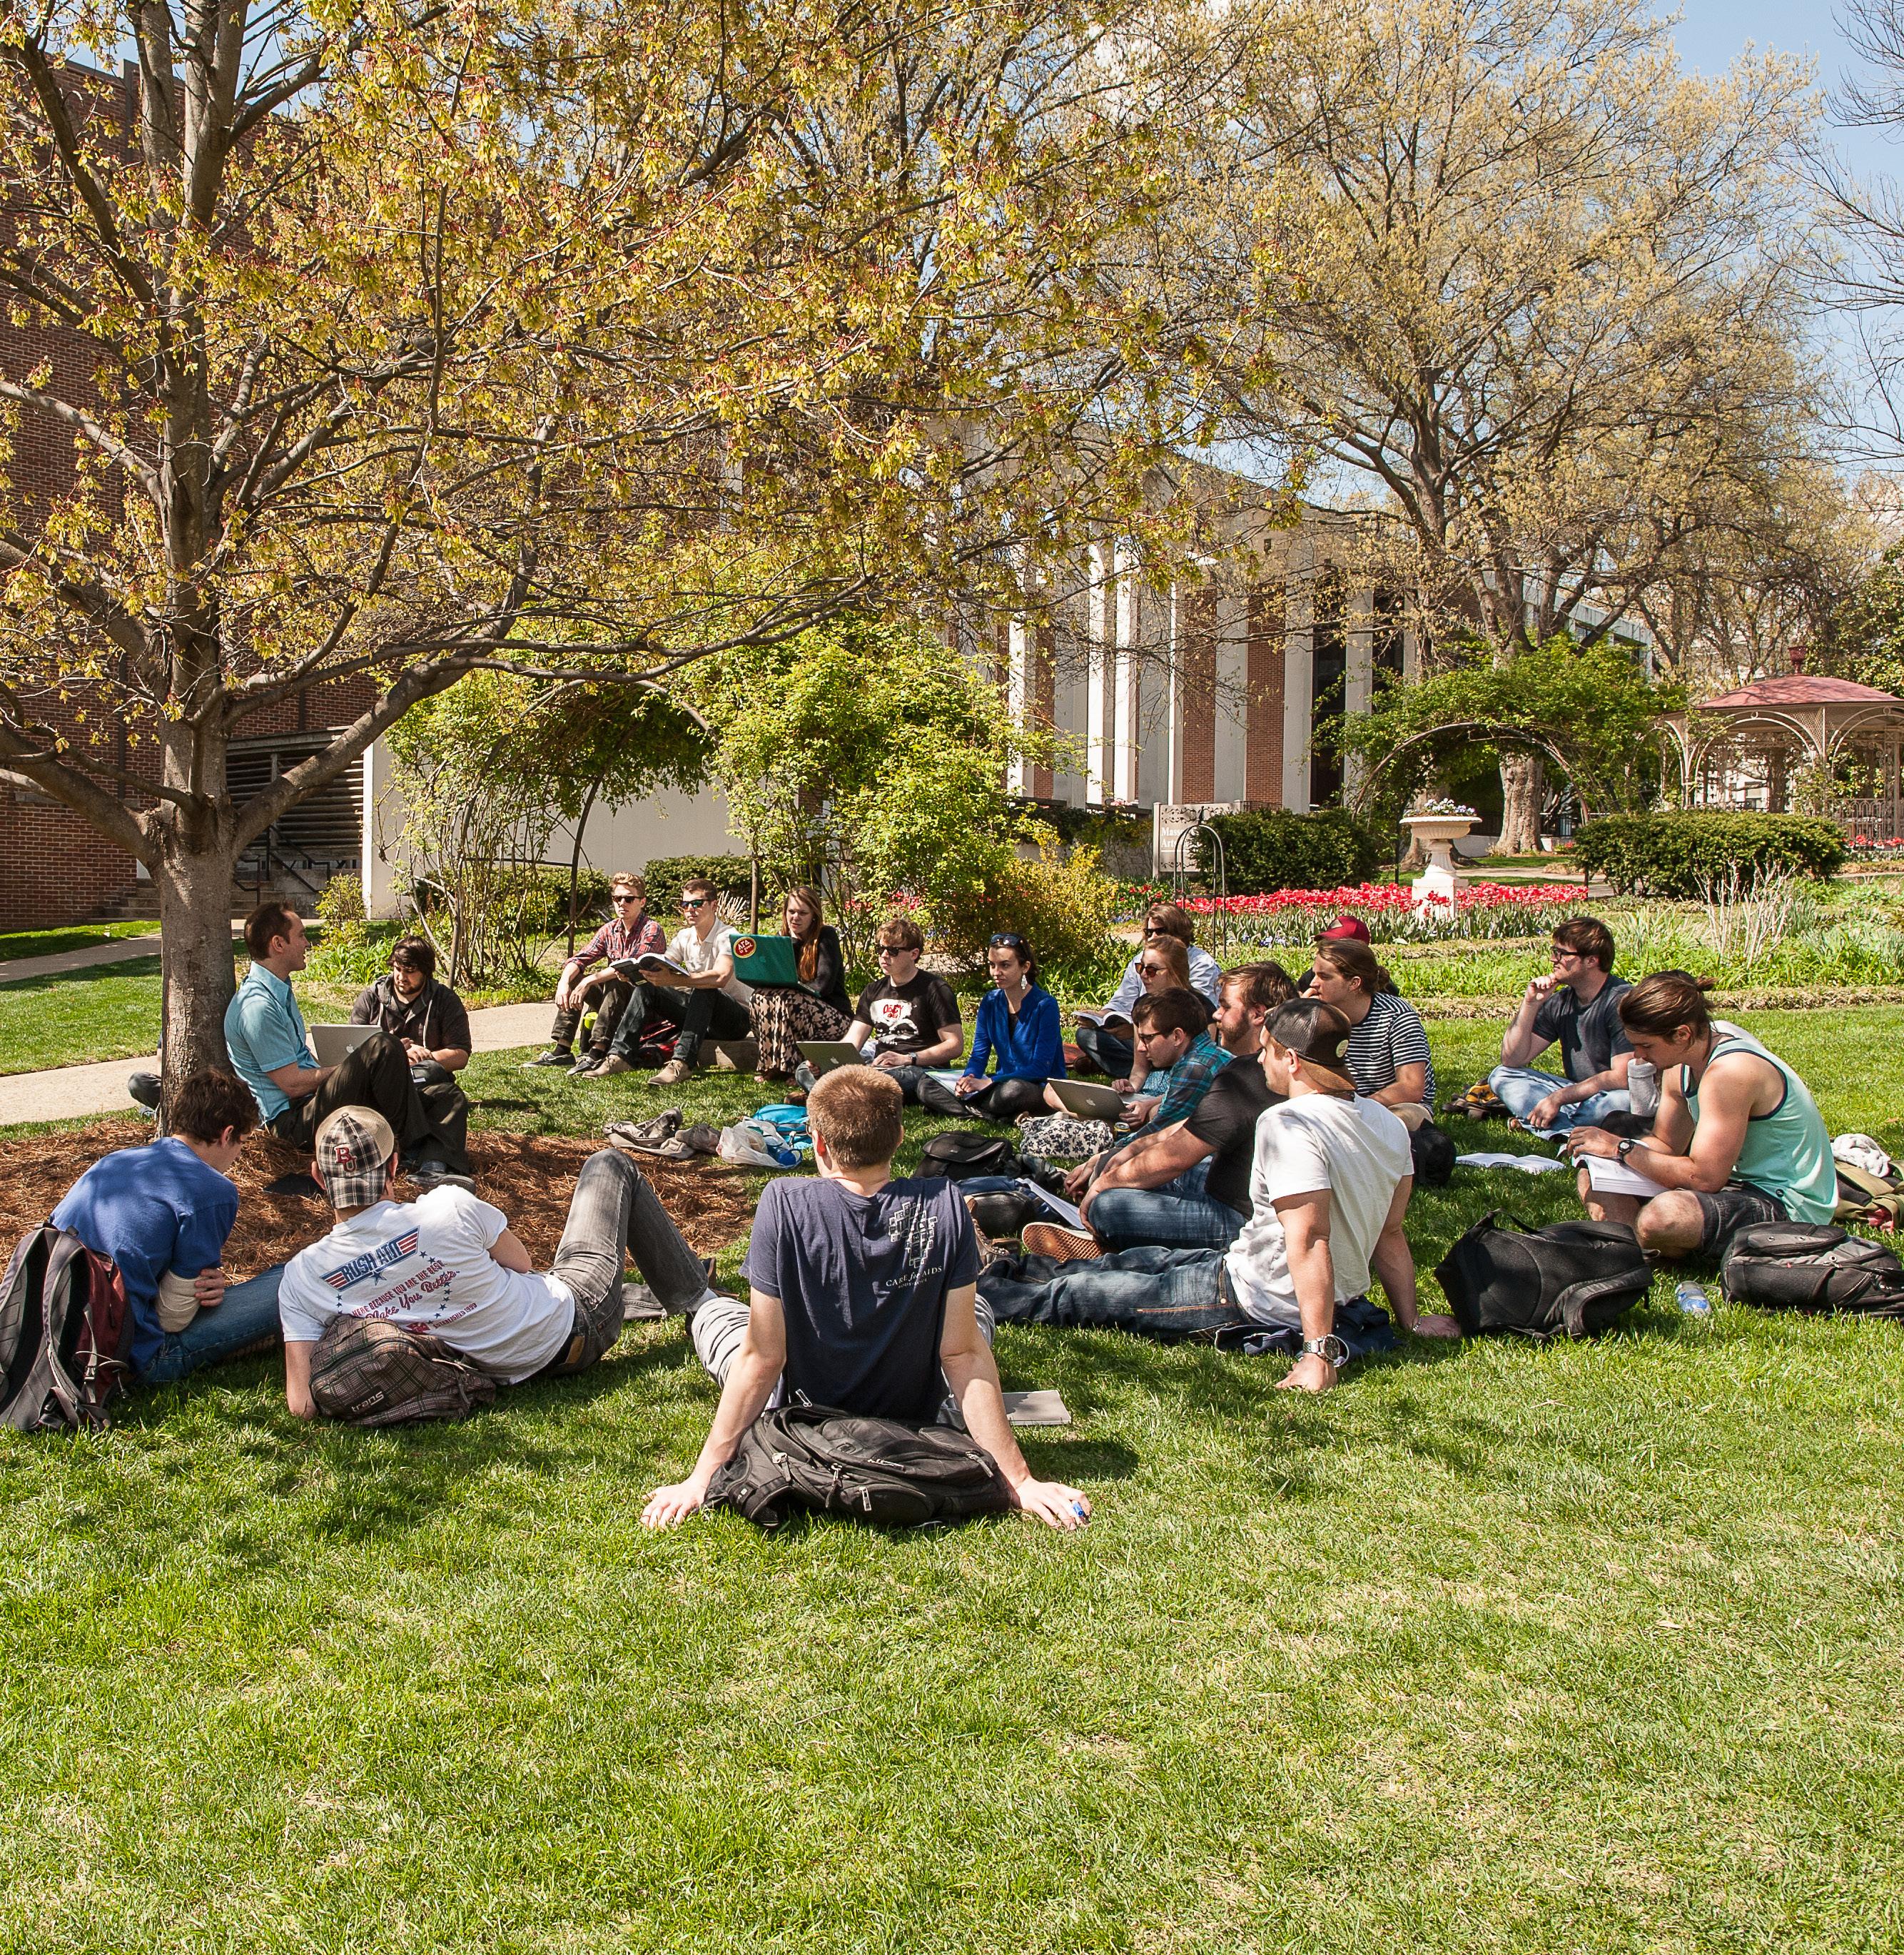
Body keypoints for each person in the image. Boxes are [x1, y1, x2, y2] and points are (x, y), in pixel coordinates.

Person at [642, 1067, 1089, 1530]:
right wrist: (1020, 1480)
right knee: (977, 1311)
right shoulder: (945, 1202)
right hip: (911, 1415)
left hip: (801, 1411)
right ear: (899, 1137)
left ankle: (708, 1303)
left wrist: (701, 1477)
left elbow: (762, 1358)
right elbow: (962, 1354)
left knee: (716, 1313)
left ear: (819, 1143)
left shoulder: (783, 1201)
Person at [979, 999, 1460, 1388]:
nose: (1259, 1060)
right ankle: (995, 1269)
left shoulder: (1289, 1123)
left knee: (1085, 1294)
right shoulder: (1389, 1125)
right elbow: (1390, 1233)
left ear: (1292, 1060)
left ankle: (973, 1295)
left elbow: (1310, 1238)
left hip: (1259, 1297)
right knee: (1126, 1263)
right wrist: (1411, 1319)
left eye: (1267, 1051)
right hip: (1244, 1264)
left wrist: (1317, 1353)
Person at [277, 1105, 732, 1417]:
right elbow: (522, 1263)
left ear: (318, 1176)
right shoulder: (448, 1206)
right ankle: (698, 1299)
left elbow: (301, 1405)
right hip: (577, 1325)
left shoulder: (303, 1278)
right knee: (610, 1164)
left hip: (494, 1370)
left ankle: (668, 1292)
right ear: (395, 1165)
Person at [1564, 971, 1835, 1261]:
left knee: (1664, 1216)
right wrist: (1605, 1154)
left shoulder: (1730, 1073)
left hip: (1786, 1204)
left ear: (1682, 1034)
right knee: (1593, 1175)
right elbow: (1667, 1144)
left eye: (1646, 1046)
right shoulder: (1679, 1064)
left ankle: (1636, 1246)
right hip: (1735, 1185)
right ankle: (1639, 1250)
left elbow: (1705, 1178)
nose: (1638, 1056)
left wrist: (1621, 1148)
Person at [1034, 962, 1297, 1258]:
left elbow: (1176, 1154)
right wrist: (1124, 1154)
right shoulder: (1245, 1067)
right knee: (1124, 1174)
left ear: (1258, 1014)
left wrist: (1105, 1182)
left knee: (1108, 1206)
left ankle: (1112, 1245)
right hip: (1225, 1183)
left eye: (1225, 1006)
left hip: (1242, 1217)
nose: (1216, 1014)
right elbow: (1186, 1126)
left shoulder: (1257, 1075)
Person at [49, 1069, 285, 1387]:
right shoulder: (212, 1190)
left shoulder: (113, 1162)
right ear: (227, 1134)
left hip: (54, 1334)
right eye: (241, 1142)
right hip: (127, 1357)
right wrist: (197, 1293)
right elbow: (173, 1316)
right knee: (293, 1278)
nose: (238, 1153)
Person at [224, 901, 471, 1179]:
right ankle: (405, 1147)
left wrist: (366, 1068)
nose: (307, 943)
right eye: (301, 935)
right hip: (292, 1120)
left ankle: (431, 1168)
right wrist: (359, 1066)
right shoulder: (257, 1007)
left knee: (445, 1095)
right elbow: (292, 1085)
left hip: (314, 1101)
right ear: (279, 944)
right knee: (383, 1046)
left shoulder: (279, 992)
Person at [588, 877, 754, 1083]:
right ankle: (620, 1056)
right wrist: (636, 975)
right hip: (700, 1014)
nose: (690, 909)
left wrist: (673, 980)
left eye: (697, 903)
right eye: (685, 904)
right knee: (647, 988)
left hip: (734, 1021)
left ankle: (681, 1064)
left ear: (714, 905)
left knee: (705, 988)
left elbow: (720, 977)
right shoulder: (685, 936)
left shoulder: (728, 935)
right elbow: (663, 965)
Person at [1488, 915, 1633, 1133]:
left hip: (1613, 1093)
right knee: (1502, 1075)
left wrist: (1558, 1098)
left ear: (1591, 961)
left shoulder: (1621, 1001)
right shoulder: (1561, 1001)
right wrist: (1530, 1004)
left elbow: (1621, 1077)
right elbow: (1513, 1060)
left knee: (1619, 1103)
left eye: (1562, 953)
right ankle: (1564, 1128)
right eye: (1554, 951)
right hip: (1577, 1095)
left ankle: (1550, 1125)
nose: (1553, 959)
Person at [804, 914, 964, 1105]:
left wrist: (908, 1059)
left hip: (919, 1068)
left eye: (893, 951)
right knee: (804, 1070)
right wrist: (824, 1061)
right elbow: (853, 1042)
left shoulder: (935, 989)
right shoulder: (873, 990)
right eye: (880, 949)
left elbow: (955, 1045)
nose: (884, 956)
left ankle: (829, 1093)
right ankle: (840, 1092)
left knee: (883, 1080)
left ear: (914, 954)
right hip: (878, 1067)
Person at [525, 873, 668, 1073]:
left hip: (645, 1004)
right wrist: (564, 982)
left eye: (629, 899)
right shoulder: (610, 929)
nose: (622, 903)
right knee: (575, 978)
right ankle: (562, 1050)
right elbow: (580, 958)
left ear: (642, 902)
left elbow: (631, 964)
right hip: (614, 1003)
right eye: (617, 898)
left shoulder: (652, 929)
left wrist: (589, 981)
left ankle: (597, 1052)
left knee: (618, 980)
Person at [1074, 903, 1222, 1078]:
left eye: (1160, 931)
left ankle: (1115, 1065)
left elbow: (1197, 1018)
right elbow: (1122, 1000)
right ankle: (1135, 1066)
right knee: (1087, 1035)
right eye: (1149, 932)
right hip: (1141, 1035)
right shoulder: (1142, 960)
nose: (1153, 937)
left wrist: (1139, 1030)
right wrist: (1100, 1017)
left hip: (1175, 1040)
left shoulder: (1201, 964)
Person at [1303, 938, 1435, 1130]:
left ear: (1354, 983)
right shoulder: (1319, 1014)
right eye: (1314, 974)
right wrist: (1296, 1017)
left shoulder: (1396, 1016)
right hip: (1342, 1104)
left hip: (1394, 1105)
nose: (1313, 983)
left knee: (1405, 1118)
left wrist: (1360, 1108)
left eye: (1324, 977)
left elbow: (1411, 1087)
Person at [940, 932, 1064, 1122]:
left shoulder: (1045, 1005)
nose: (996, 972)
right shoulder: (990, 1001)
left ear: (1025, 967)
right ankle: (992, 1113)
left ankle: (975, 1109)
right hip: (1000, 1084)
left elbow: (1040, 1068)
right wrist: (968, 1078)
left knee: (1013, 1091)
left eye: (1005, 965)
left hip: (1036, 1087)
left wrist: (989, 1082)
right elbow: (979, 1055)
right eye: (992, 965)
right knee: (926, 1086)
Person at [748, 885, 854, 1081]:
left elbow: (824, 986)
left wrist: (791, 986)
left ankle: (797, 1067)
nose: (795, 917)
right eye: (792, 912)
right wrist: (792, 942)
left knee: (790, 998)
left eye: (803, 913)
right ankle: (773, 1065)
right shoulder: (782, 939)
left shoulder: (826, 936)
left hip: (836, 1019)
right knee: (759, 997)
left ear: (814, 915)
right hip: (795, 1007)